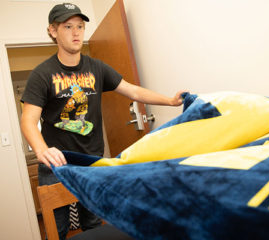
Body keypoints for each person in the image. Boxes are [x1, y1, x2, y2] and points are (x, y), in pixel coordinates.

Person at [20, 3, 184, 240]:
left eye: (80, 26)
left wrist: (170, 101)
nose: (76, 32)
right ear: (53, 31)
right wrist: (42, 149)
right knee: (59, 228)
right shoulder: (42, 74)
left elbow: (133, 91)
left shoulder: (96, 67)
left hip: (92, 161)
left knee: (94, 225)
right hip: (56, 165)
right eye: (68, 26)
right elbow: (28, 119)